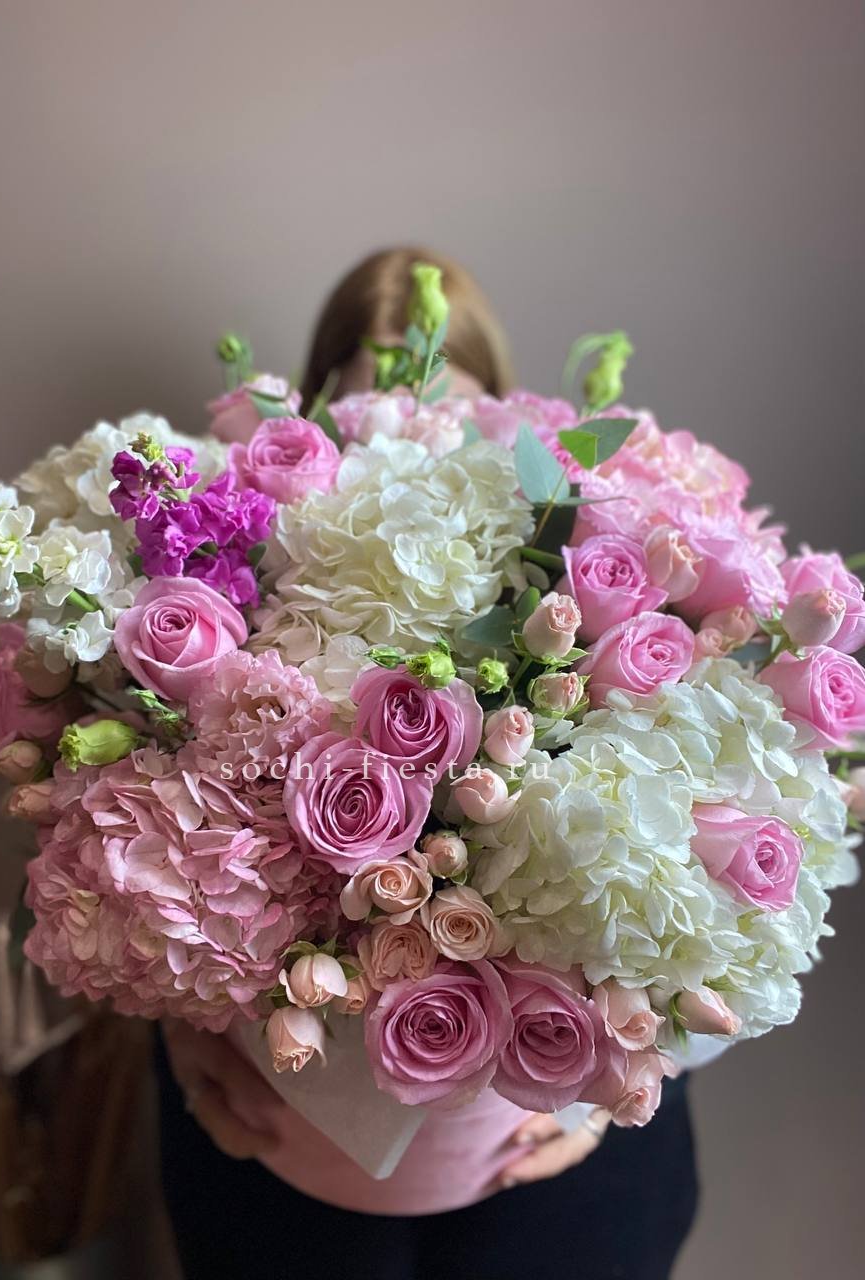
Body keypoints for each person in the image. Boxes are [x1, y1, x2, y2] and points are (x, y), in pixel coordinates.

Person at [157, 247, 699, 1280]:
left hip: (557, 1148)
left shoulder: (579, 540)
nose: (407, 430)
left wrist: (625, 1078)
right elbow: (143, 870)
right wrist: (182, 1036)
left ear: (506, 413)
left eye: (440, 402)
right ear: (316, 414)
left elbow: (726, 884)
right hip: (285, 1130)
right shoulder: (249, 572)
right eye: (374, 406)